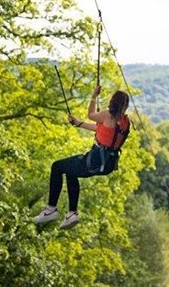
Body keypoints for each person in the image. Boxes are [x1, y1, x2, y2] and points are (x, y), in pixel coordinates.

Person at [34, 86, 130, 229]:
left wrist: (93, 96)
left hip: (95, 160)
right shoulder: (125, 122)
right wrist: (78, 123)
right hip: (108, 164)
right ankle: (72, 213)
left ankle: (51, 209)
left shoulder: (107, 115)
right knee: (71, 172)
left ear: (112, 102)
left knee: (57, 166)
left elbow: (91, 114)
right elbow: (102, 129)